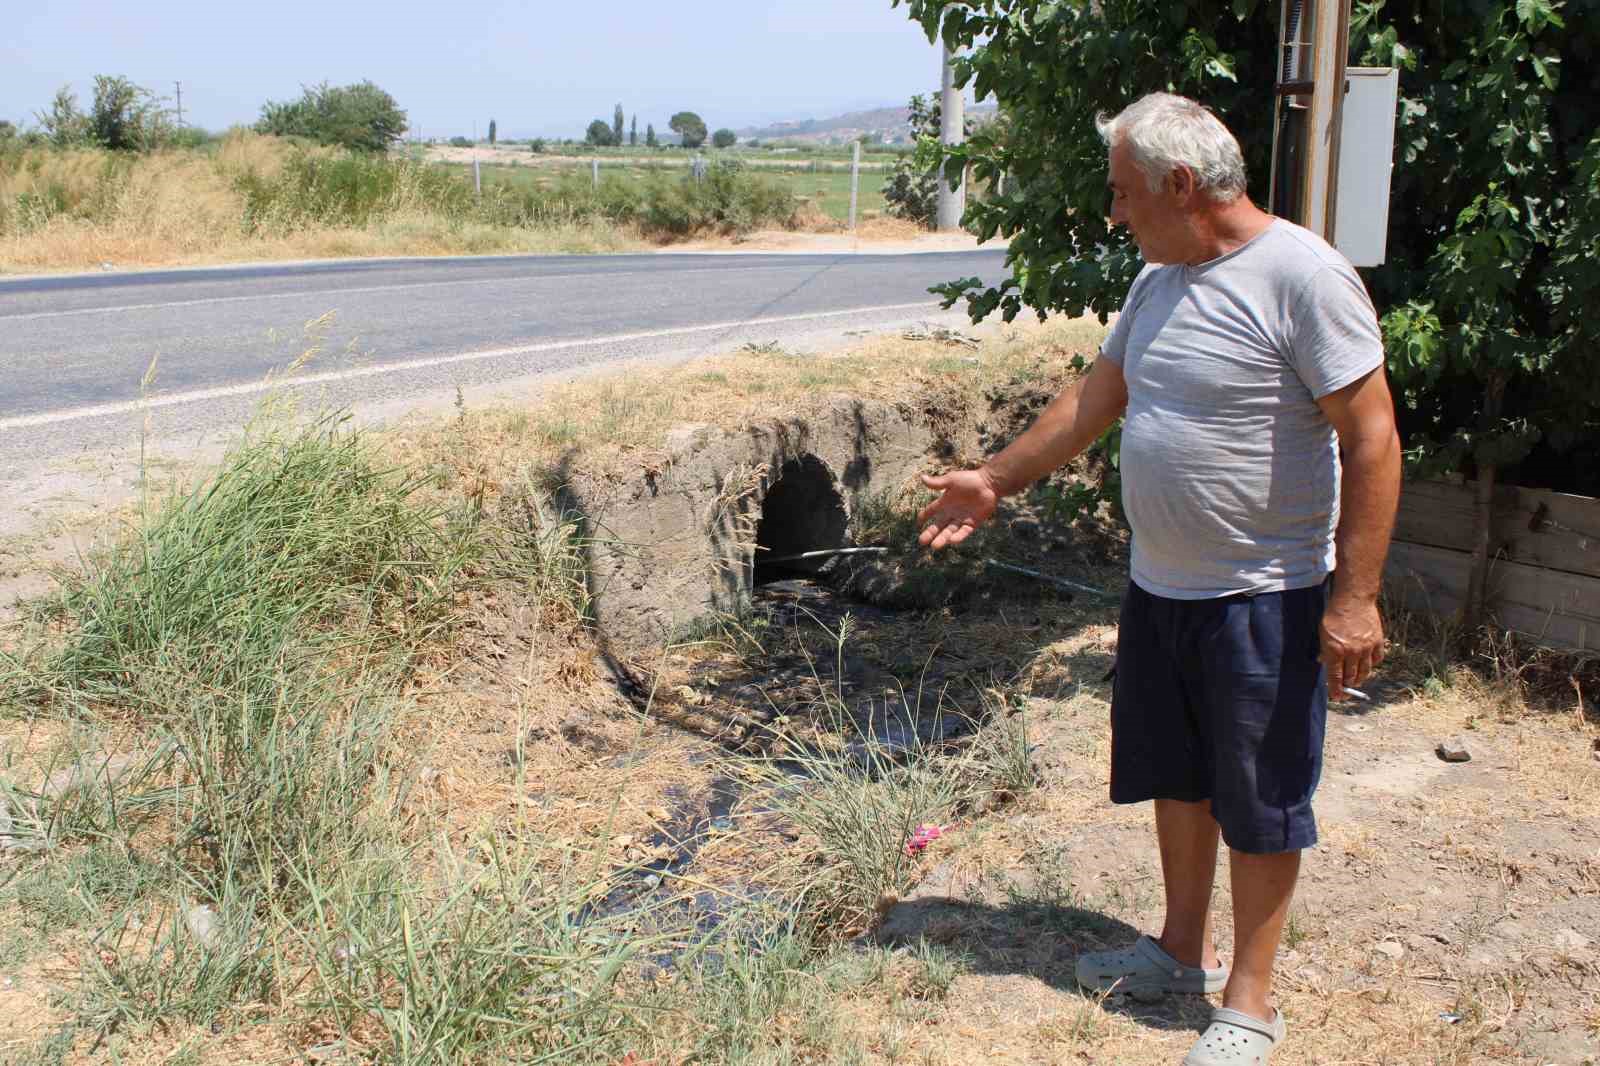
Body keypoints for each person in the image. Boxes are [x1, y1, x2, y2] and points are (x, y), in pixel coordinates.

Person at [916, 92, 1401, 1065]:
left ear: (1181, 187)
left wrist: (1353, 596)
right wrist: (995, 480)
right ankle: (1178, 949)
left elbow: (1373, 436)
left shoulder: (1301, 277)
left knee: (1260, 799)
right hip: (1162, 590)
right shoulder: (1158, 283)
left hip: (1265, 595)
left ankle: (1248, 1004)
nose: (1114, 213)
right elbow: (1095, 399)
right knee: (1178, 781)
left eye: (1123, 193)